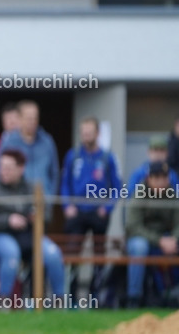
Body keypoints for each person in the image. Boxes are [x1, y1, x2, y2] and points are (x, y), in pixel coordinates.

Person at [0, 150, 65, 301]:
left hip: (28, 236)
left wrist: (36, 218)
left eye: (8, 168)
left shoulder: (33, 189)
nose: (4, 171)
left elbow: (47, 216)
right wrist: (8, 220)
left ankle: (60, 300)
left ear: (21, 169)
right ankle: (4, 301)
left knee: (53, 254)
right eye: (2, 167)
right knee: (11, 252)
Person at [124, 162, 179, 307]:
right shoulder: (139, 194)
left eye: (164, 177)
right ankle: (134, 298)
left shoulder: (172, 195)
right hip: (142, 238)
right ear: (149, 178)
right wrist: (160, 240)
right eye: (157, 177)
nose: (161, 181)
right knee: (139, 247)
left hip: (166, 239)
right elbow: (133, 226)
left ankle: (174, 293)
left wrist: (173, 239)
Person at [61, 116, 122, 237]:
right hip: (77, 210)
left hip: (98, 211)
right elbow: (65, 184)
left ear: (97, 133)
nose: (86, 136)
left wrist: (107, 208)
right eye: (84, 133)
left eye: (89, 133)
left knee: (99, 247)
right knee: (72, 245)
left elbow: (117, 187)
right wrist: (67, 206)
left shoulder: (108, 158)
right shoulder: (72, 156)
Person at [0, 100, 59, 201]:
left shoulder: (47, 141)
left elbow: (54, 172)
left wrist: (50, 197)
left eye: (35, 118)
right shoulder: (9, 143)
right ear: (20, 119)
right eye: (29, 118)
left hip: (43, 200)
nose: (32, 122)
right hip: (16, 202)